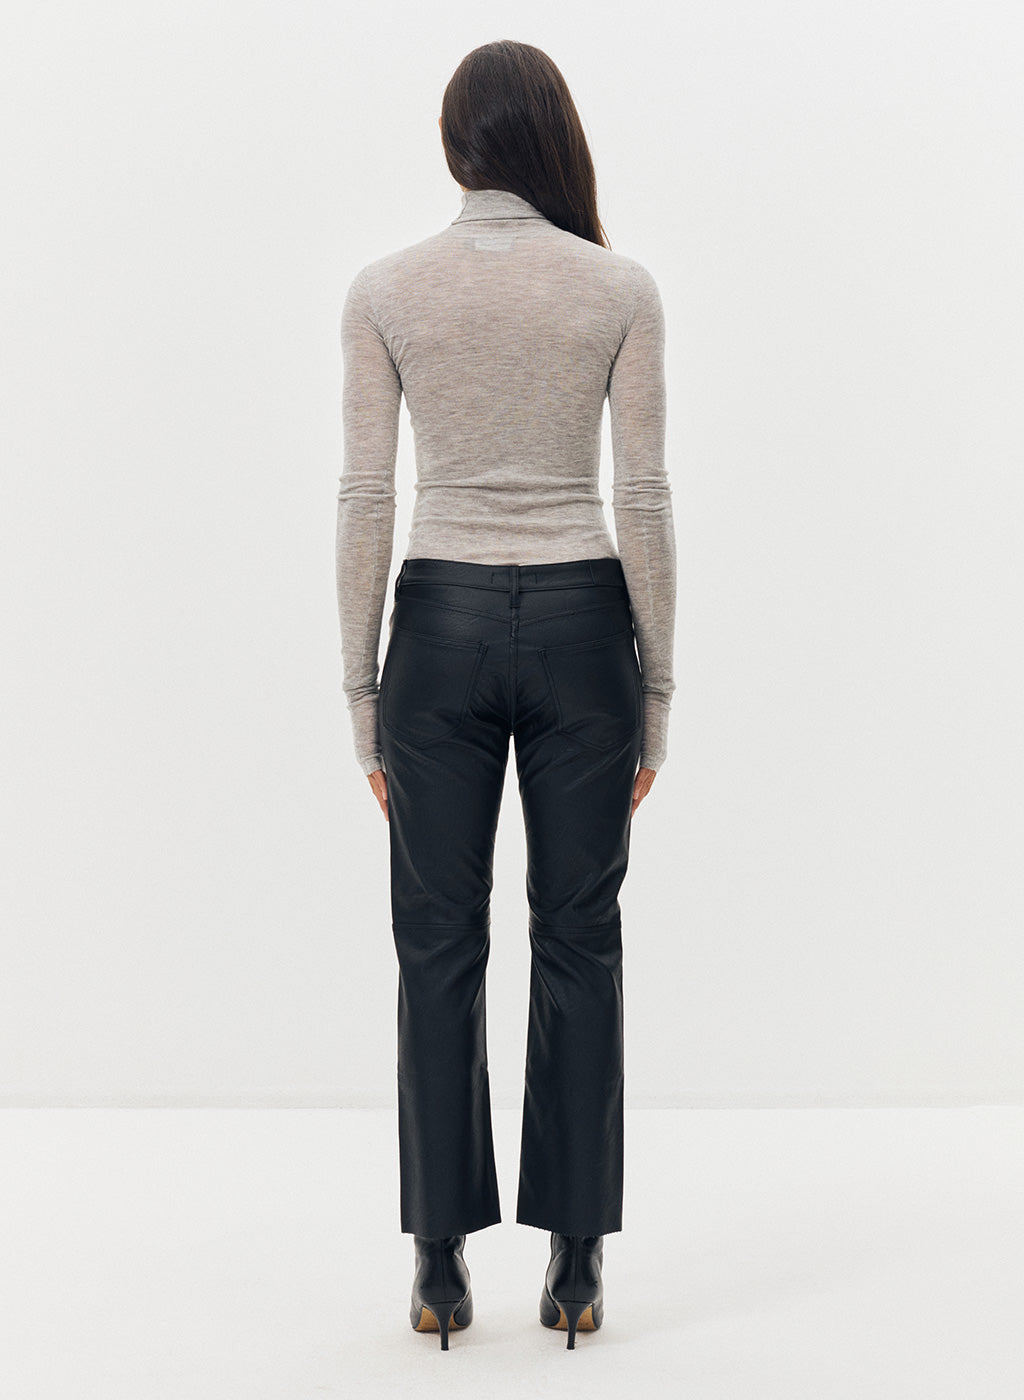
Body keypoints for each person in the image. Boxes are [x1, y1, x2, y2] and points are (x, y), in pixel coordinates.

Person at [336, 39, 676, 1350]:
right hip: (587, 625)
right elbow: (642, 495)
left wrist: (359, 696)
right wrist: (660, 691)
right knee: (580, 938)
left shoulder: (386, 291)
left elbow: (367, 495)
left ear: (454, 146)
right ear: (553, 138)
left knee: (437, 944)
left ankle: (438, 1266)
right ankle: (576, 1264)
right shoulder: (619, 289)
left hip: (439, 631)